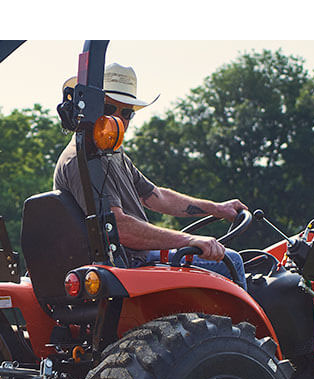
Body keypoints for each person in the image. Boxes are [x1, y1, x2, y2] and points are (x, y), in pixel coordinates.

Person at [54, 63, 248, 286]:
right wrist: (190, 239)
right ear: (90, 108)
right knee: (231, 261)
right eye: (109, 109)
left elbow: (156, 196)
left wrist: (217, 208)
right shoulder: (83, 160)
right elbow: (120, 228)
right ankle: (249, 323)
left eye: (126, 113)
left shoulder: (111, 154)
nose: (119, 120)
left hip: (135, 260)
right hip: (123, 267)